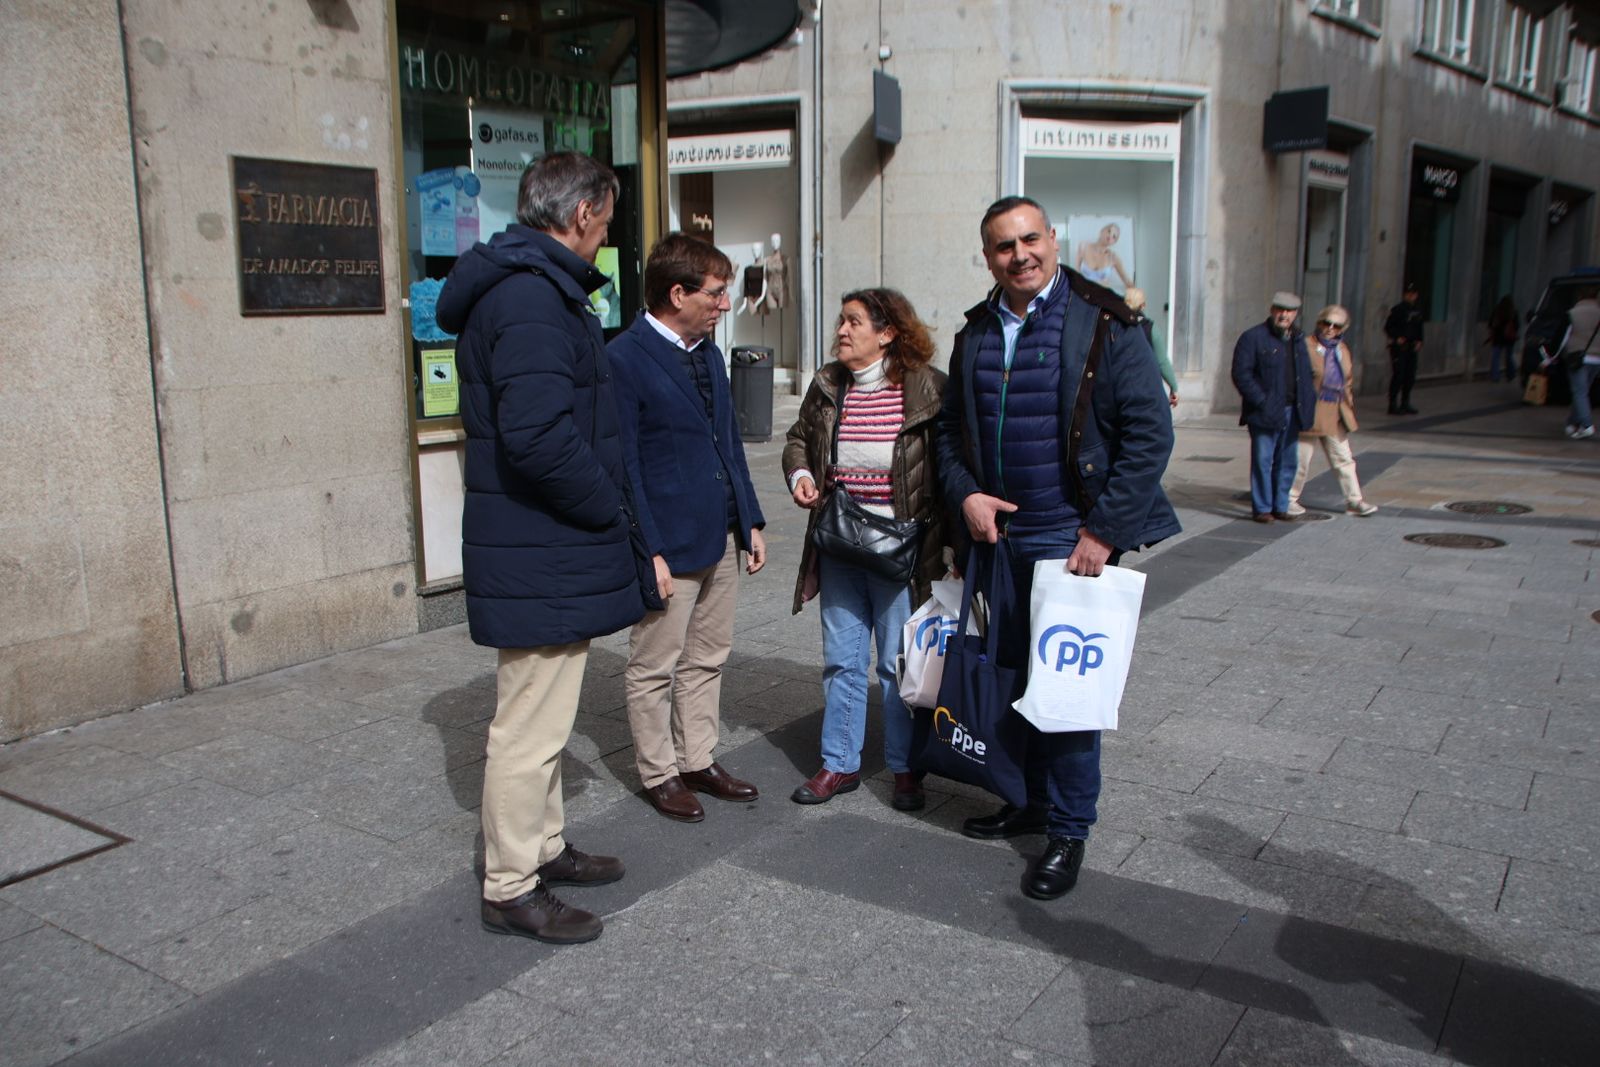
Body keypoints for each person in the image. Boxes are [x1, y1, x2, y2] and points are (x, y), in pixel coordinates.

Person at [936, 197, 1179, 900]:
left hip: (1070, 538)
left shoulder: (1104, 321)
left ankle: (1069, 831)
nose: (1020, 255)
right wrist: (967, 497)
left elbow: (1150, 435)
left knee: (1068, 696)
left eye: (1030, 239)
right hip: (997, 535)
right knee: (1014, 682)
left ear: (1053, 239)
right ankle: (1031, 801)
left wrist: (1103, 530)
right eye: (1004, 246)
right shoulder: (977, 331)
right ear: (988, 257)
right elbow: (949, 433)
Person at [437, 152, 645, 945]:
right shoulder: (529, 294)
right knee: (529, 727)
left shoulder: (532, 285)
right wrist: (607, 509)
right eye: (607, 217)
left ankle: (544, 845)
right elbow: (537, 438)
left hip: (543, 542)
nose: (608, 232)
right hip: (545, 542)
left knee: (547, 718)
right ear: (583, 213)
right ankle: (511, 885)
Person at [608, 234, 768, 822]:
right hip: (668, 545)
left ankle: (697, 758)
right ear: (678, 294)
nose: (725, 304)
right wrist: (647, 549)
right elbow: (624, 467)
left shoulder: (709, 353)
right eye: (716, 293)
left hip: (719, 534)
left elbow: (729, 443)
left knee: (708, 656)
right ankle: (660, 772)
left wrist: (749, 519)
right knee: (654, 665)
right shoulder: (624, 358)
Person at [783, 288, 948, 811]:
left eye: (854, 322)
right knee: (842, 661)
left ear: (887, 332)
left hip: (902, 550)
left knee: (899, 665)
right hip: (839, 544)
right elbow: (797, 438)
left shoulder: (926, 387)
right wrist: (801, 473)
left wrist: (951, 548)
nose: (842, 330)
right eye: (841, 320)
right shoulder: (828, 384)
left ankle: (905, 767)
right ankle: (839, 762)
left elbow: (948, 466)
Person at [1286, 305, 1380, 518]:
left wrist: (1349, 402)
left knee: (1343, 458)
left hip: (1335, 411)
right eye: (1326, 323)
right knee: (1300, 459)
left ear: (1342, 329)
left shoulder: (1342, 349)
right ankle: (1289, 499)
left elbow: (1347, 380)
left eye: (1336, 326)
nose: (1330, 328)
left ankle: (1354, 501)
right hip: (1311, 411)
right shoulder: (1305, 345)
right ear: (1318, 322)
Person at [1232, 292, 1317, 523]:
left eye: (1289, 311)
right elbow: (1241, 374)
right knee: (1263, 460)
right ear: (1272, 310)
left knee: (1288, 461)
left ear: (1295, 314)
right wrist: (1261, 401)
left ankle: (1281, 505)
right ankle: (1262, 508)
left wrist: (1308, 401)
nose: (1284, 315)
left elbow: (1305, 374)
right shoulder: (1253, 337)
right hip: (1264, 411)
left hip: (1293, 409)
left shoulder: (1298, 338)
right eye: (1280, 310)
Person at [1124, 286, 1178, 408]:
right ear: (1143, 305)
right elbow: (1162, 362)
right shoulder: (1150, 329)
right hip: (1145, 390)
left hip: (1119, 389)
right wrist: (1174, 387)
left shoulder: (1113, 327)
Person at [1384, 282, 1425, 414]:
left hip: (1412, 347)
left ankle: (1405, 402)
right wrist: (1397, 337)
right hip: (1400, 347)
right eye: (1408, 294)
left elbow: (1419, 327)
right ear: (1404, 295)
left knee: (1410, 376)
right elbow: (1388, 327)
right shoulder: (1398, 310)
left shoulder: (1417, 310)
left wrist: (1420, 341)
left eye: (1413, 294)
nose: (1410, 296)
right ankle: (1392, 404)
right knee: (1399, 375)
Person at [1564, 286, 1600, 440]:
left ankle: (1586, 425)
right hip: (1597, 358)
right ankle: (1572, 423)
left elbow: (1563, 337)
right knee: (1582, 392)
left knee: (1580, 392)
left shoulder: (1573, 313)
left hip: (1577, 357)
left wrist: (1550, 357)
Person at [1074, 221, 1133, 292]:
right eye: (1109, 231)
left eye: (1114, 237)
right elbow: (1076, 274)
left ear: (1114, 242)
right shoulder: (1083, 246)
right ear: (1102, 231)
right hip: (1082, 294)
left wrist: (1135, 292)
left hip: (1102, 295)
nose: (1110, 235)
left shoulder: (1113, 257)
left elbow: (1126, 280)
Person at [1487, 295, 1519, 384]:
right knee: (1509, 356)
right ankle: (1511, 374)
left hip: (1498, 337)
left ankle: (1495, 376)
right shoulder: (1513, 312)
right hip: (1509, 338)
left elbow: (1491, 324)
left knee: (1496, 356)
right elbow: (1517, 326)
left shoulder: (1497, 311)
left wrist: (1492, 334)